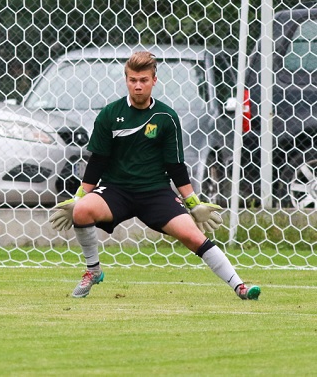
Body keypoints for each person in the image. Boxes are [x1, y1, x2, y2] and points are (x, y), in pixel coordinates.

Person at [49, 51, 260, 301]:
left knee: (194, 236)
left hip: (155, 193)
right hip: (116, 190)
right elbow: (98, 160)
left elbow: (176, 166)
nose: (138, 86)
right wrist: (79, 197)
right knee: (82, 211)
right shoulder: (109, 114)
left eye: (144, 80)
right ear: (126, 80)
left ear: (154, 81)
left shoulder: (166, 116)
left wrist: (193, 203)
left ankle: (240, 287)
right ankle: (93, 271)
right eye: (133, 80)